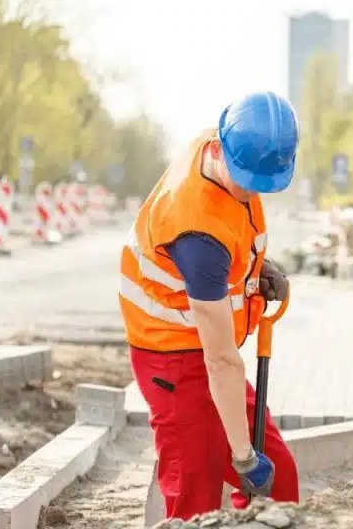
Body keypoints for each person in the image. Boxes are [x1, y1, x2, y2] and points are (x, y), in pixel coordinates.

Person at [119, 90, 301, 519]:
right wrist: (243, 457)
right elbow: (221, 361)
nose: (250, 192)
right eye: (246, 181)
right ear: (219, 150)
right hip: (172, 361)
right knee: (194, 499)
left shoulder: (229, 145)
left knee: (282, 483)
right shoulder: (198, 236)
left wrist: (259, 269)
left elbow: (234, 233)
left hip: (206, 348)